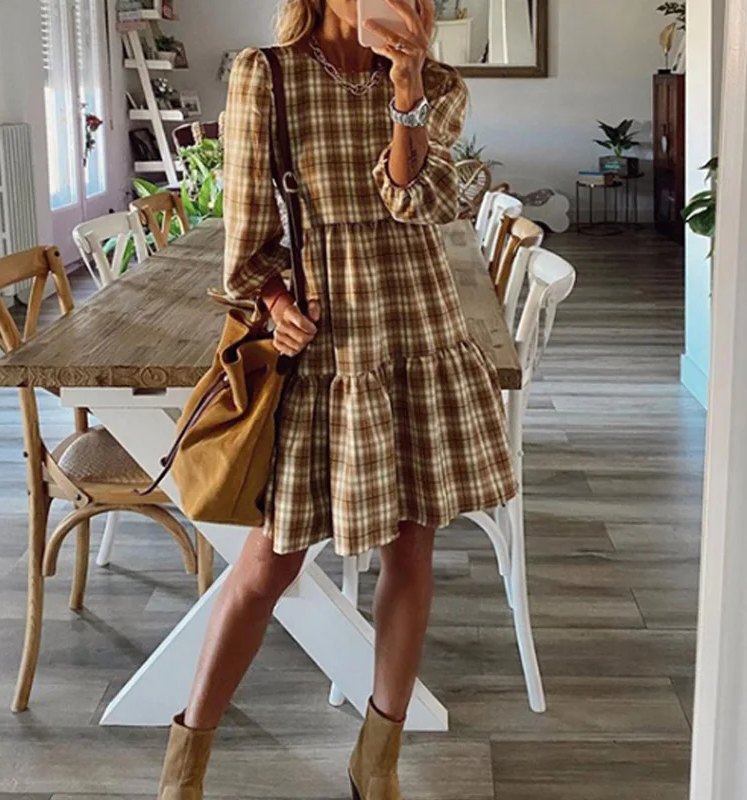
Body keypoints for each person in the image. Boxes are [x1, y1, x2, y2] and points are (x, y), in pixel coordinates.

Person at [156, 0, 516, 797]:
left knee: (412, 546)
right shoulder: (266, 76)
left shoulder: (437, 84)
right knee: (270, 560)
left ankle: (377, 763)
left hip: (419, 333)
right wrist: (274, 303)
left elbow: (419, 202)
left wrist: (407, 88)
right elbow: (246, 242)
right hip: (325, 347)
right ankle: (184, 769)